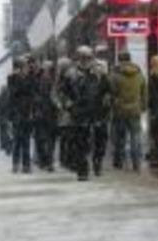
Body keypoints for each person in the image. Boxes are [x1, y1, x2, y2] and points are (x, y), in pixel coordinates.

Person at [60, 46, 111, 181]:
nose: (85, 60)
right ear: (78, 58)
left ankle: (97, 161)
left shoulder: (99, 71)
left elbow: (107, 89)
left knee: (100, 140)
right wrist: (69, 105)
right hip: (79, 113)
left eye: (88, 57)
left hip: (98, 112)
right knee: (80, 143)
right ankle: (83, 170)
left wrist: (107, 101)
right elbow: (63, 92)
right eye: (82, 57)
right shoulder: (71, 74)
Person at [109, 51, 147, 171]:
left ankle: (118, 162)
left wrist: (113, 105)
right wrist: (143, 107)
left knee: (120, 137)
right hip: (135, 110)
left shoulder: (115, 75)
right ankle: (136, 163)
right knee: (135, 137)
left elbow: (111, 92)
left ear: (119, 60)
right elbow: (144, 93)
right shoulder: (139, 75)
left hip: (120, 110)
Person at [7, 55, 36, 174]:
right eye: (25, 66)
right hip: (17, 113)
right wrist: (17, 77)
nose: (27, 68)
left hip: (27, 112)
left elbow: (32, 93)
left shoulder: (30, 78)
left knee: (26, 141)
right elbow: (13, 94)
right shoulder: (12, 78)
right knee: (17, 141)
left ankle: (26, 165)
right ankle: (15, 164)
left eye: (27, 66)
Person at [34, 60, 58, 172]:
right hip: (46, 114)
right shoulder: (45, 81)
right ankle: (47, 161)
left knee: (46, 140)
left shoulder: (41, 81)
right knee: (46, 140)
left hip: (47, 114)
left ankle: (45, 161)